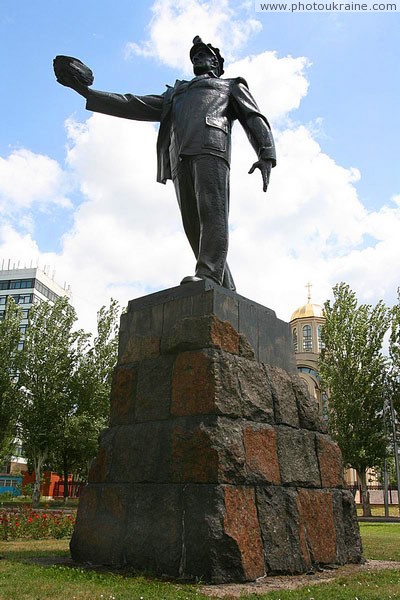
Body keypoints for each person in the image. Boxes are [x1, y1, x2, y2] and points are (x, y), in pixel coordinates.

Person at [55, 36, 276, 291]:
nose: (196, 57)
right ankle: (224, 287)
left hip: (212, 148)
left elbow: (253, 116)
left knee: (211, 213)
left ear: (215, 60)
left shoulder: (230, 86)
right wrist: (87, 93)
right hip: (179, 156)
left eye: (202, 53)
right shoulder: (176, 94)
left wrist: (266, 153)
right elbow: (133, 103)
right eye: (193, 55)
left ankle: (209, 275)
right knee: (192, 225)